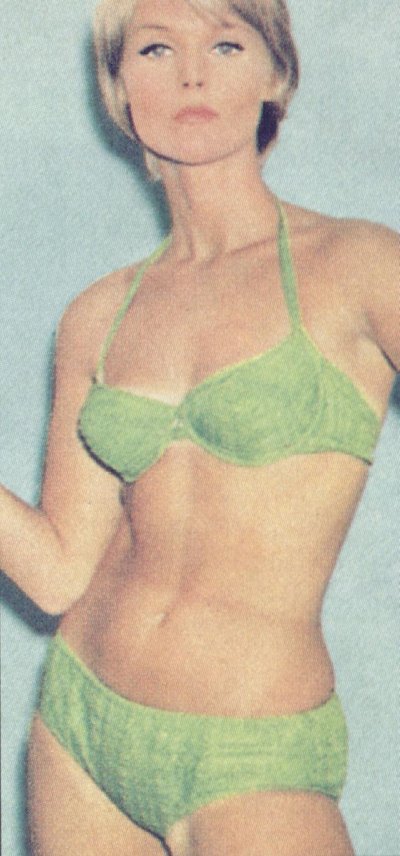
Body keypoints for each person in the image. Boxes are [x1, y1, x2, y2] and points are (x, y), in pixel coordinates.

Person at [1, 0, 398, 854]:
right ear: (119, 87)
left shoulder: (361, 266)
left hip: (253, 751)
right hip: (79, 726)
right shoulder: (96, 315)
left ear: (275, 74)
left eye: (224, 43)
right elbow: (58, 573)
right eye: (155, 49)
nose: (191, 74)